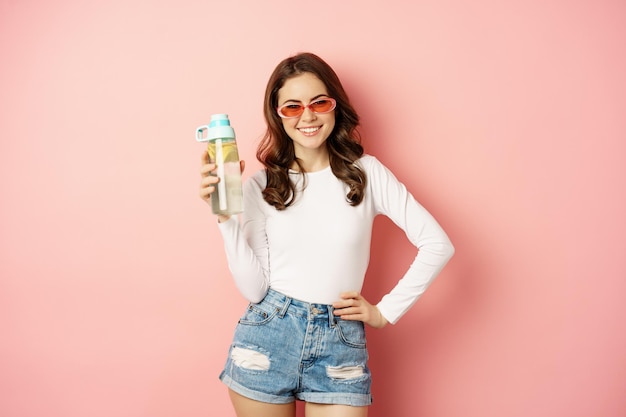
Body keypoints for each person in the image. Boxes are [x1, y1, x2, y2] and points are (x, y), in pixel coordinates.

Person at [199, 52, 454, 417]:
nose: (307, 116)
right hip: (269, 333)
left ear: (335, 106)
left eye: (319, 102)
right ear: (277, 115)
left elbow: (437, 244)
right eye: (292, 107)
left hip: (341, 341)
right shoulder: (261, 185)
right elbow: (255, 290)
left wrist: (385, 312)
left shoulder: (367, 173)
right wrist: (224, 218)